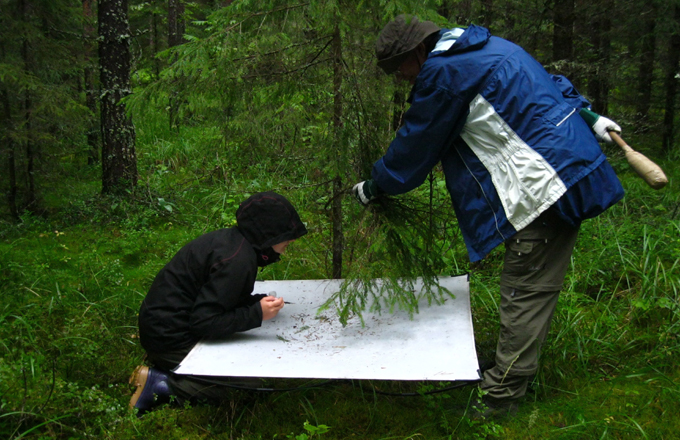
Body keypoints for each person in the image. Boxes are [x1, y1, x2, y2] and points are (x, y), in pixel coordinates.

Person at [351, 15, 625, 418]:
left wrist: (374, 187)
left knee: (524, 293)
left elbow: (414, 148)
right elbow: (553, 84)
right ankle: (514, 377)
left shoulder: (445, 72)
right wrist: (588, 115)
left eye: (398, 69)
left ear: (416, 53)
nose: (400, 79)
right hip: (570, 169)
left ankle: (500, 400)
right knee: (534, 287)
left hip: (542, 188)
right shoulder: (491, 47)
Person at [129, 191, 308, 413]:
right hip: (170, 339)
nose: (291, 239)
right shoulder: (238, 262)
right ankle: (162, 385)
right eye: (286, 233)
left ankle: (172, 369)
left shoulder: (235, 243)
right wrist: (256, 314)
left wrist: (255, 303)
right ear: (267, 233)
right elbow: (204, 322)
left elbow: (219, 298)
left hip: (163, 327)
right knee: (249, 384)